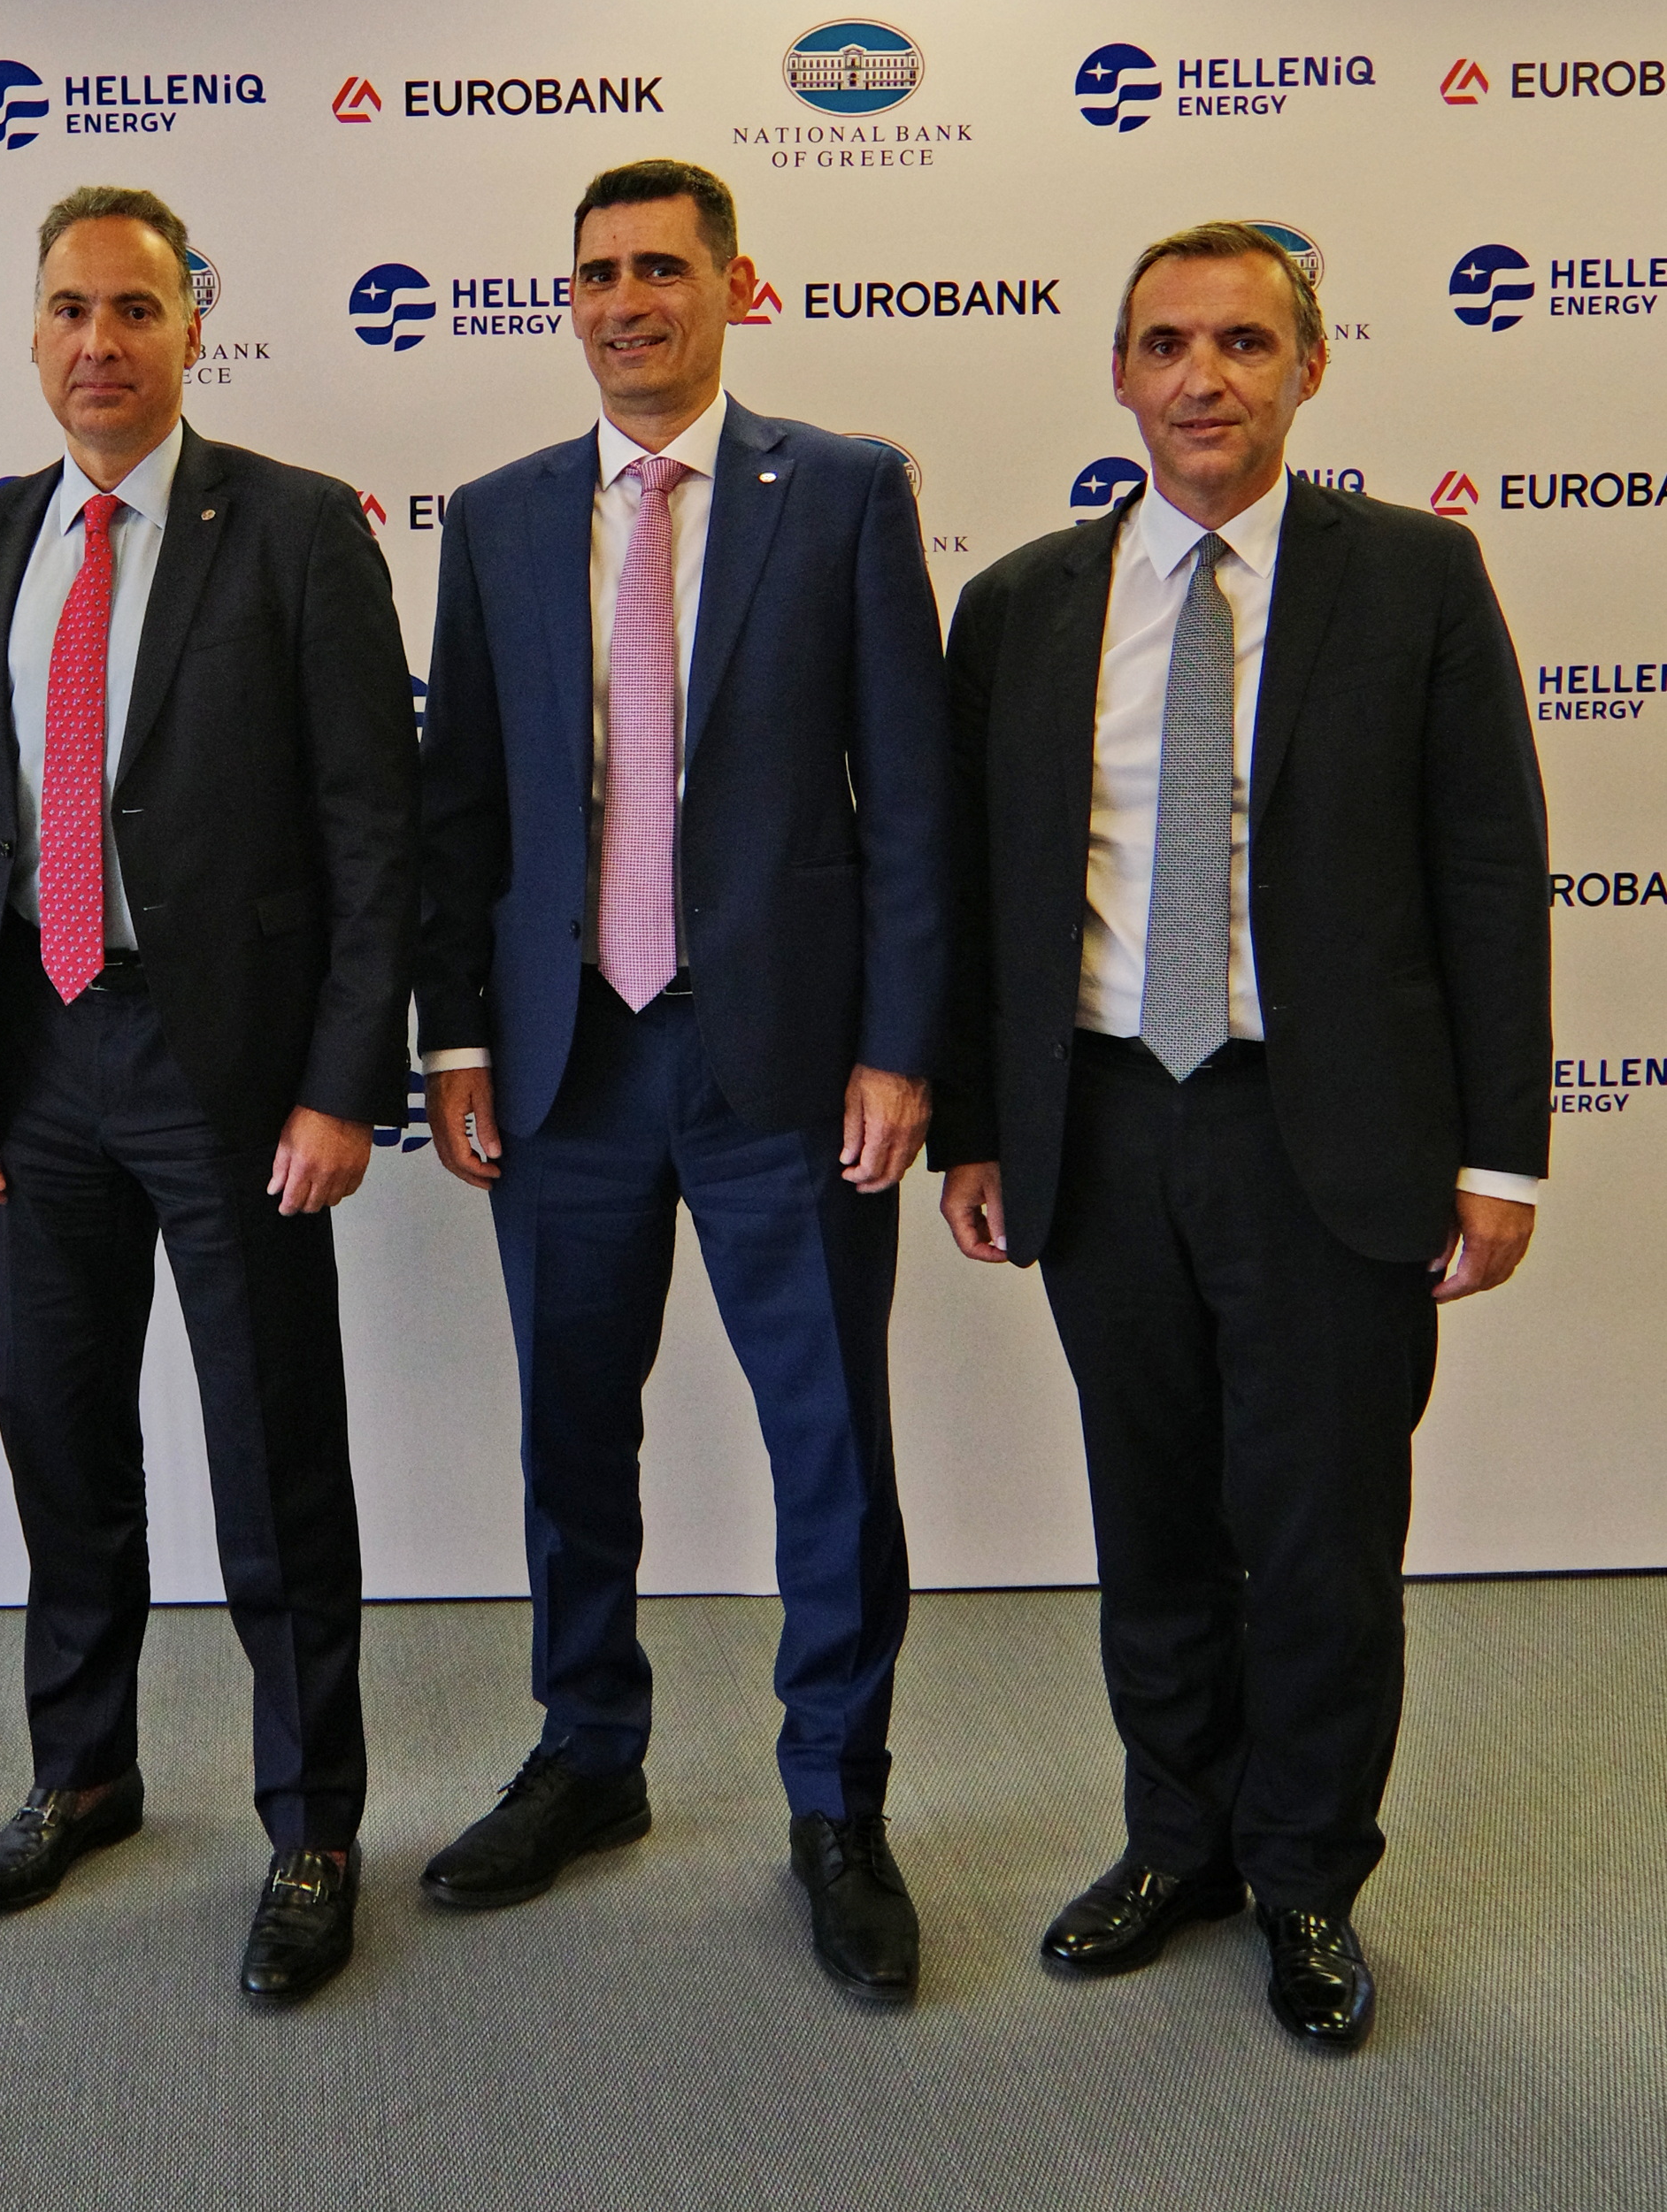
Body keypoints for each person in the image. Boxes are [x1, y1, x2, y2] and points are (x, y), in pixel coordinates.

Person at [933, 221, 1549, 2052]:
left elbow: (1487, 871)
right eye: (1166, 344)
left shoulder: (1414, 578)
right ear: (1117, 374)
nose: (1202, 377)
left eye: (1243, 342)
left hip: (1328, 1137)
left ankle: (1302, 1878)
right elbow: (976, 895)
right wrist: (975, 1124)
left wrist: (1498, 1153)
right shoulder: (1020, 604)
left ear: (1309, 368)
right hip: (1103, 1123)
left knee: (1320, 1537)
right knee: (1150, 1522)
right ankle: (1174, 1842)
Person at [415, 159, 949, 2005]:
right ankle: (588, 1753)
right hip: (563, 1061)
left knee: (828, 1448)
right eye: (595, 273)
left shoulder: (845, 490)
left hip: (779, 1066)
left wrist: (898, 1043)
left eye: (660, 267)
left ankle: (836, 1804)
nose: (625, 299)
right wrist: (456, 1035)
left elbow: (909, 795)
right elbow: (460, 806)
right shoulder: (497, 517)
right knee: (570, 1435)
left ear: (733, 284)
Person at [0, 186, 417, 2005]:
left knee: (272, 1451)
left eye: (134, 308)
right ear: (31, 332)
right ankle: (83, 1772)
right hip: (38, 1055)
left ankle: (313, 1823)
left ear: (194, 325)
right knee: (56, 1429)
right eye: (68, 309)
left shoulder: (293, 528)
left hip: (233, 1074)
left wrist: (343, 1083)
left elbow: (372, 828)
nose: (99, 342)